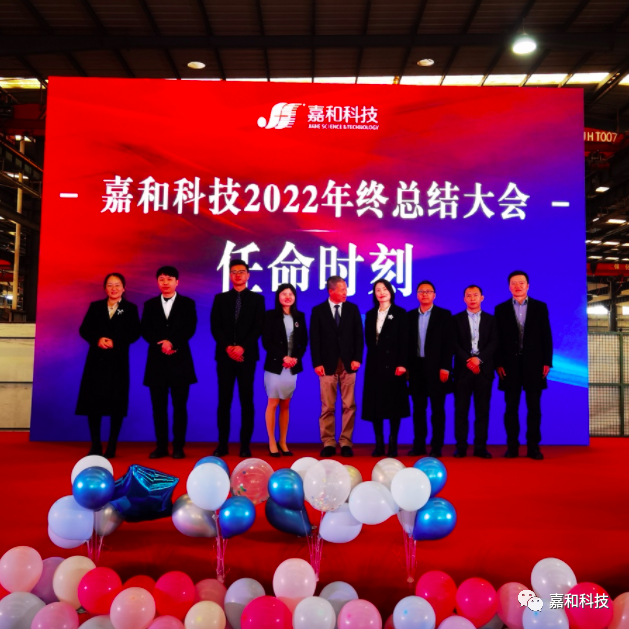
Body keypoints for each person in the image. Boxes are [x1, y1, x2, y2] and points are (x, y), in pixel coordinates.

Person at [76, 273, 141, 459]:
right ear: (105, 288)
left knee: (116, 403)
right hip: (96, 360)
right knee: (93, 403)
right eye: (110, 285)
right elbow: (84, 329)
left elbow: (135, 333)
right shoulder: (95, 306)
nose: (114, 288)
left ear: (124, 288)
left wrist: (116, 342)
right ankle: (95, 445)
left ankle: (112, 445)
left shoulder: (130, 308)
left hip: (118, 361)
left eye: (117, 285)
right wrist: (97, 339)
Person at [495, 271, 553, 460]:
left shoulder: (540, 307)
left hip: (534, 365)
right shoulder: (501, 309)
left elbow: (546, 335)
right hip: (509, 366)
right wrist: (498, 363)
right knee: (511, 408)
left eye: (521, 283)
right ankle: (512, 447)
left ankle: (533, 447)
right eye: (514, 283)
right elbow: (497, 339)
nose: (518, 286)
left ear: (528, 285)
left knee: (534, 408)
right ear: (509, 286)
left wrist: (547, 361)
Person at [210, 259, 265, 458]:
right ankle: (222, 445)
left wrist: (242, 347)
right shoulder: (220, 299)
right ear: (229, 275)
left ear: (248, 275)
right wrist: (228, 347)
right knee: (224, 401)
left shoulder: (257, 299)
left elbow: (258, 327)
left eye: (241, 271)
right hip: (225, 357)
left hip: (247, 356)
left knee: (246, 400)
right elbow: (215, 326)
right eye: (234, 272)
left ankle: (245, 445)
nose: (238, 275)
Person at [141, 266, 197, 459]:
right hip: (157, 362)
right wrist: (161, 344)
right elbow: (145, 330)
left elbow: (190, 328)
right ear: (157, 282)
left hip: (180, 361)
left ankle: (179, 446)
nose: (165, 282)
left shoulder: (187, 303)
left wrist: (172, 343)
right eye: (162, 279)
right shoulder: (149, 304)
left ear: (177, 282)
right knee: (158, 408)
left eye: (169, 279)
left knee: (180, 407)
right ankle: (161, 447)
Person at [310, 276, 364, 458]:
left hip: (349, 364)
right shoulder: (318, 311)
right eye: (342, 290)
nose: (345, 293)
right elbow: (315, 339)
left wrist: (357, 358)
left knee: (349, 405)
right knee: (327, 406)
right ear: (331, 291)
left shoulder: (352, 309)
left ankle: (346, 442)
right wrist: (317, 363)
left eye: (346, 289)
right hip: (326, 365)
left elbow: (359, 336)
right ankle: (329, 442)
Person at [362, 279, 410, 458]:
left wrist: (402, 364)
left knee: (393, 406)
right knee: (376, 406)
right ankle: (379, 444)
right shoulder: (370, 314)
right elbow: (369, 341)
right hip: (374, 365)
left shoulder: (400, 313)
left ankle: (393, 444)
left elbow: (405, 341)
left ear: (391, 292)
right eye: (378, 290)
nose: (381, 293)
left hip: (394, 366)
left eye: (384, 289)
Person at [407, 280, 454, 458]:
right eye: (421, 291)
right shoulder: (409, 316)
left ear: (434, 295)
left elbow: (449, 344)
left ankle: (436, 446)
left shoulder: (444, 315)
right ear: (417, 295)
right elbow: (406, 345)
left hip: (437, 369)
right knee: (418, 410)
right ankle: (419, 445)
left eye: (428, 291)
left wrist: (445, 367)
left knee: (437, 410)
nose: (424, 294)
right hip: (416, 368)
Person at [262, 283, 308, 457]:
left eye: (291, 294)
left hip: (292, 367)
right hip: (276, 365)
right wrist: (283, 357)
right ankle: (271, 441)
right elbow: (266, 342)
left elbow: (304, 342)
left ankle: (283, 441)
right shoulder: (270, 315)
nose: (288, 297)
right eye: (284, 294)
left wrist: (295, 358)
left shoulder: (300, 316)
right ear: (278, 296)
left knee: (286, 405)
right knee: (273, 403)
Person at [452, 285, 499, 459]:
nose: (472, 298)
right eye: (469, 295)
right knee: (461, 411)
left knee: (482, 411)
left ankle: (480, 448)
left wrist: (478, 360)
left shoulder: (491, 320)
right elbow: (453, 343)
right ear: (464, 299)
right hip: (462, 371)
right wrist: (469, 360)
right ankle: (461, 448)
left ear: (482, 298)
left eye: (475, 295)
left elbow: (494, 342)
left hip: (483, 371)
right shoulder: (455, 319)